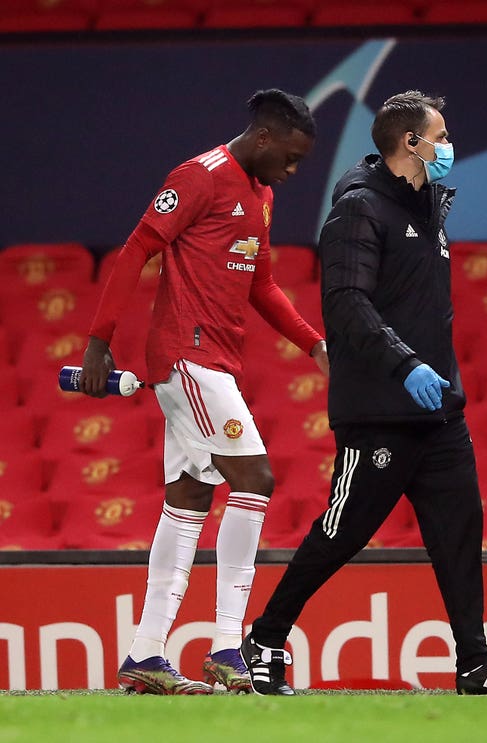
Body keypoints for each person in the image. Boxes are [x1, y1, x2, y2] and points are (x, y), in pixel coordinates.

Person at [241, 90, 487, 696]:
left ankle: (474, 663)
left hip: (438, 412)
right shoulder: (358, 210)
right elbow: (345, 305)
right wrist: (405, 365)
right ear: (411, 143)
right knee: (342, 532)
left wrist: (435, 376)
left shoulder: (430, 202)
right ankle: (266, 638)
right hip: (379, 409)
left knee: (460, 528)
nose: (448, 147)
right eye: (440, 136)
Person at [81, 89, 329, 695]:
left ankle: (145, 653)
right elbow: (138, 247)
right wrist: (98, 342)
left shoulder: (261, 195)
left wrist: (313, 343)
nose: (293, 172)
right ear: (265, 137)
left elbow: (263, 283)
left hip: (218, 358)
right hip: (186, 355)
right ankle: (226, 646)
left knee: (189, 495)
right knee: (256, 479)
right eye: (291, 158)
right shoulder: (199, 175)